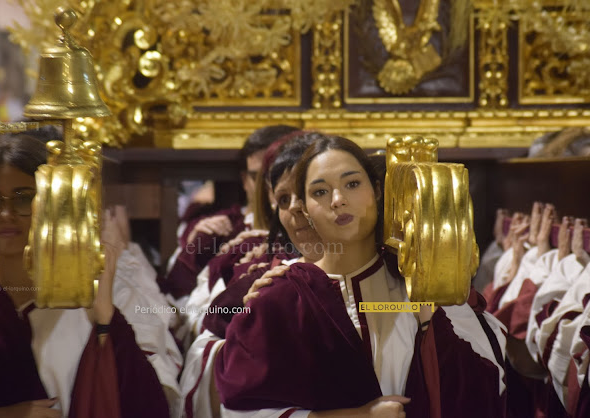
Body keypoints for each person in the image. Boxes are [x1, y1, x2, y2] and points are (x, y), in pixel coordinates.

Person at [214, 136, 507, 418]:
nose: (338, 200)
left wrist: (432, 323)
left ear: (377, 190)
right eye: (320, 192)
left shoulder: (419, 284)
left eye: (352, 184)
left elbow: (487, 386)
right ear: (304, 208)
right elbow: (243, 409)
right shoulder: (280, 299)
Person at [0, 134, 173, 417]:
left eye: (24, 199)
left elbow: (145, 405)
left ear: (54, 207)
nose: (6, 213)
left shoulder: (87, 304)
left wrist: (105, 322)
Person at [180, 132, 327, 418]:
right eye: (283, 198)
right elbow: (241, 391)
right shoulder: (267, 275)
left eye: (314, 191)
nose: (297, 207)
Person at [159, 125, 299, 306]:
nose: (265, 187)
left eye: (275, 176)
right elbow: (175, 304)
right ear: (244, 180)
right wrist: (193, 251)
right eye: (256, 177)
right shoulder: (218, 230)